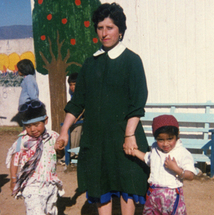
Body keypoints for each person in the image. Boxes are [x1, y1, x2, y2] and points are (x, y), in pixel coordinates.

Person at [55, 2, 149, 214]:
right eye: (100, 28)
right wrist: (64, 131)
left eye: (110, 27)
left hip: (124, 136)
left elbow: (138, 101)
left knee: (127, 186)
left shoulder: (132, 61)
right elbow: (78, 101)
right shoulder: (90, 63)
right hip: (96, 138)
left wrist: (129, 134)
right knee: (100, 186)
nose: (104, 33)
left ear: (121, 31)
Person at [127, 115, 197, 214]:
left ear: (177, 136)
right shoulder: (155, 149)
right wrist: (134, 151)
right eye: (160, 140)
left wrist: (176, 169)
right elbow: (147, 158)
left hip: (172, 196)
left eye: (169, 139)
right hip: (153, 194)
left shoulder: (182, 153)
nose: (165, 144)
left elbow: (190, 175)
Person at [6, 100, 65, 215]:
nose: (32, 129)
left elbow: (59, 157)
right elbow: (15, 159)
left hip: (50, 183)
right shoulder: (23, 140)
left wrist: (59, 150)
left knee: (50, 212)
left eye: (36, 124)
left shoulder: (53, 137)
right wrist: (13, 179)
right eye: (28, 126)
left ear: (46, 120)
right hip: (32, 184)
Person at [67, 72, 83, 151]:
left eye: (74, 84)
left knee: (76, 130)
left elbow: (83, 108)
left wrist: (77, 117)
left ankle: (72, 153)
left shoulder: (82, 94)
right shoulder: (73, 95)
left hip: (80, 120)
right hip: (74, 119)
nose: (72, 87)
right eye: (70, 85)